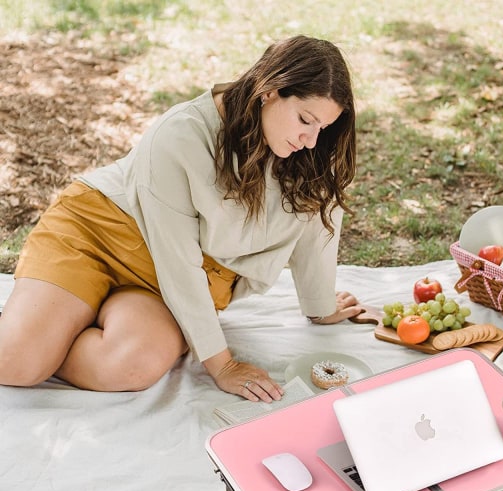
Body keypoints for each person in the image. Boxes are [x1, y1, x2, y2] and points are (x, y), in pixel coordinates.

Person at [0, 35, 362, 402]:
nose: (313, 139)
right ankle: (37, 334)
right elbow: (178, 260)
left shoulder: (311, 151)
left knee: (134, 365)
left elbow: (317, 223)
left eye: (323, 127)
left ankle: (53, 328)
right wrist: (222, 365)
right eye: (305, 119)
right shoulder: (180, 134)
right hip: (98, 232)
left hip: (165, 282)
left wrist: (321, 307)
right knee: (17, 362)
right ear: (269, 90)